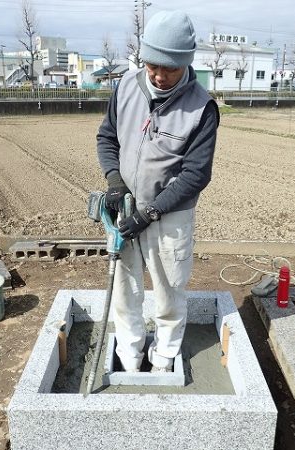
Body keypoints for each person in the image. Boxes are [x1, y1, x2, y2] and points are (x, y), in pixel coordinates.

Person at [96, 10, 219, 373]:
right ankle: (129, 355)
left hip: (170, 218)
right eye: (153, 65)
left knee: (169, 291)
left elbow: (196, 175)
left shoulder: (202, 108)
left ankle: (164, 358)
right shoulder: (126, 87)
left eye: (170, 69)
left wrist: (150, 213)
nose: (159, 76)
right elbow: (107, 138)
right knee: (125, 287)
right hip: (125, 209)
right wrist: (114, 180)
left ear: (186, 64)